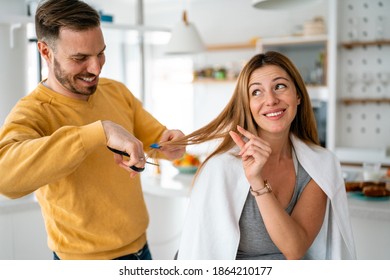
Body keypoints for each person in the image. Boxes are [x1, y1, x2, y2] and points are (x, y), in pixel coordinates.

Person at [0, 0, 185, 260]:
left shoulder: (116, 91)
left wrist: (171, 145)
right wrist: (100, 132)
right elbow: (5, 179)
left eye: (100, 53)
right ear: (45, 51)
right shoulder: (33, 112)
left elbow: (158, 142)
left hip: (141, 250)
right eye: (80, 58)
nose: (96, 68)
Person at [171, 51, 356, 259]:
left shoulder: (321, 164)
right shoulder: (220, 167)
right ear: (247, 105)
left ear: (298, 96)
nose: (271, 100)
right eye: (257, 92)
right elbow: (199, 252)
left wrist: (257, 183)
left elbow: (295, 248)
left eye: (279, 86)